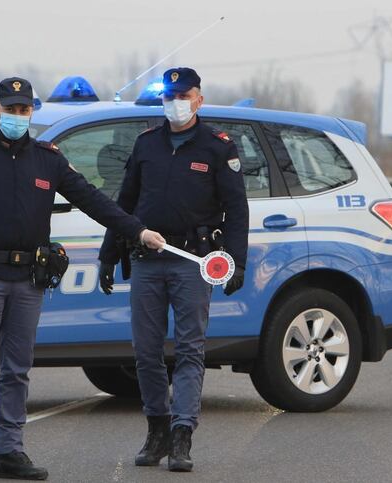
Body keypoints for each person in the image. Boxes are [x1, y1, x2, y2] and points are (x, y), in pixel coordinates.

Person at [0, 77, 165, 481]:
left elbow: (93, 200)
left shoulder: (48, 159)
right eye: (11, 108)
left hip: (29, 279)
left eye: (24, 109)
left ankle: (9, 451)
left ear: (32, 111)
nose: (18, 115)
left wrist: (136, 231)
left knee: (18, 368)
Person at [98, 67, 249, 472]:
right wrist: (109, 253)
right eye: (169, 96)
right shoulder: (147, 143)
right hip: (147, 260)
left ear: (199, 98)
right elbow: (124, 203)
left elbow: (237, 208)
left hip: (194, 262)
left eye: (183, 96)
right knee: (145, 353)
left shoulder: (218, 146)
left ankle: (182, 435)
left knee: (188, 351)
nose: (175, 103)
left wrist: (236, 261)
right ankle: (157, 428)